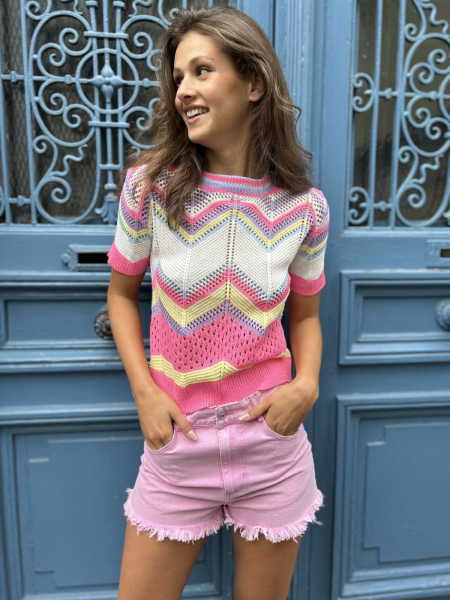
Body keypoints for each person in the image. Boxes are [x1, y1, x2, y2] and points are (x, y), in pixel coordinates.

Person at [107, 6, 329, 600]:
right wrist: (145, 392)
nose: (183, 89)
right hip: (178, 444)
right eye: (178, 76)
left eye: (202, 71)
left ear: (253, 83)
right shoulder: (150, 187)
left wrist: (306, 385)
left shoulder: (304, 209)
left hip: (271, 444)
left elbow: (305, 315)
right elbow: (121, 295)